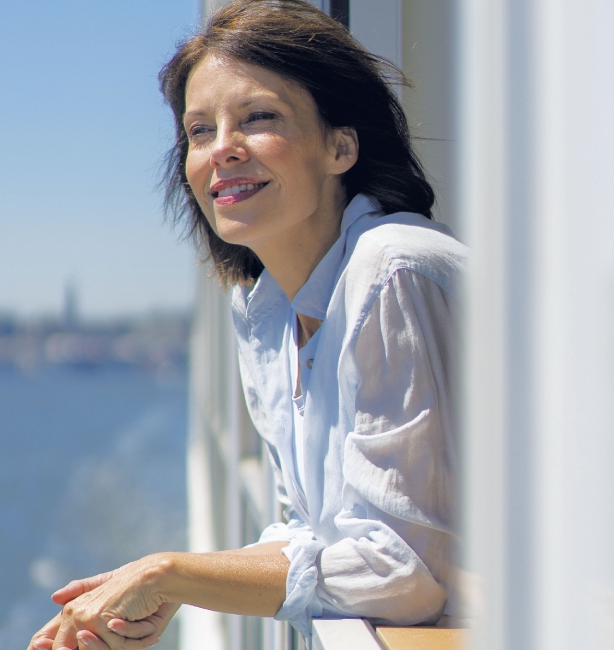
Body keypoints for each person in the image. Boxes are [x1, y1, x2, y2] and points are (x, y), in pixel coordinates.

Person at [28, 1, 465, 648]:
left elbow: (405, 573)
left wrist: (172, 573)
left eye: (259, 118)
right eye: (199, 131)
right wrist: (153, 591)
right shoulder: (266, 310)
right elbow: (309, 531)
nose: (222, 149)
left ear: (340, 145)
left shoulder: (391, 268)